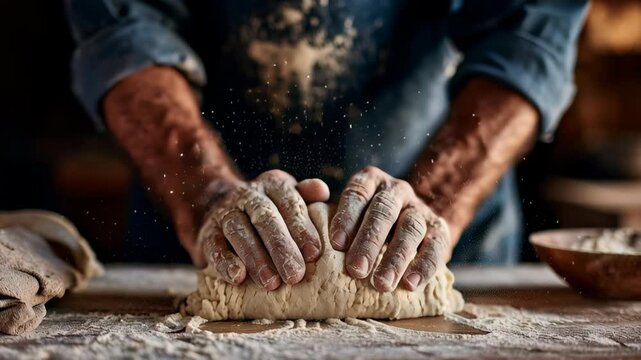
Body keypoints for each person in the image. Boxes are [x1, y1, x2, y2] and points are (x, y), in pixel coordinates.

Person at [64, 0, 588, 292]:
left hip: (437, 215)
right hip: (193, 236)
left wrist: (439, 200)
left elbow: (528, 36)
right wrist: (204, 195)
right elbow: (125, 31)